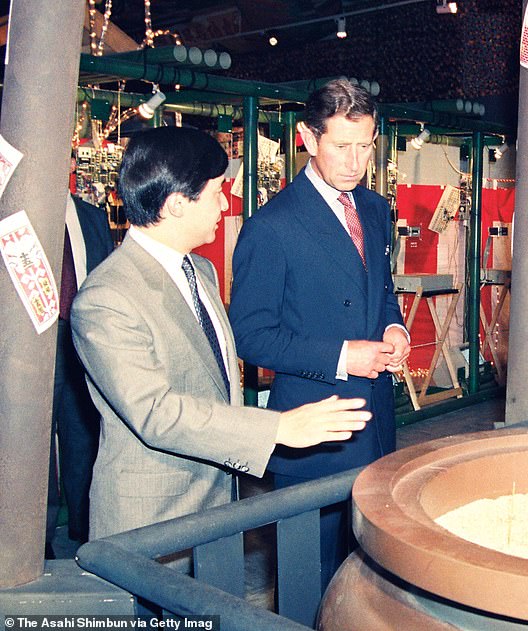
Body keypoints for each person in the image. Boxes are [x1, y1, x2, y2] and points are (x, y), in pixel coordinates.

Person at [70, 126, 371, 541]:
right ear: (177, 204)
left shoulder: (201, 271)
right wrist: (276, 429)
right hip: (153, 519)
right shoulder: (108, 298)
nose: (225, 202)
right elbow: (156, 412)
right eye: (216, 193)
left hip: (214, 506)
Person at [229, 79, 410, 591]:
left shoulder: (374, 209)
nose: (355, 162)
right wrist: (341, 356)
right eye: (341, 146)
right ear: (309, 139)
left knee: (367, 580)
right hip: (314, 435)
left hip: (376, 428)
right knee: (310, 587)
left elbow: (381, 290)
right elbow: (251, 334)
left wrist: (393, 327)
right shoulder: (272, 226)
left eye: (366, 146)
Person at [46, 191, 113, 558]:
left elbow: (104, 270)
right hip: (35, 344)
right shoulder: (24, 213)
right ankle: (39, 533)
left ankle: (84, 526)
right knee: (37, 442)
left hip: (84, 334)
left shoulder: (92, 216)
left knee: (84, 431)